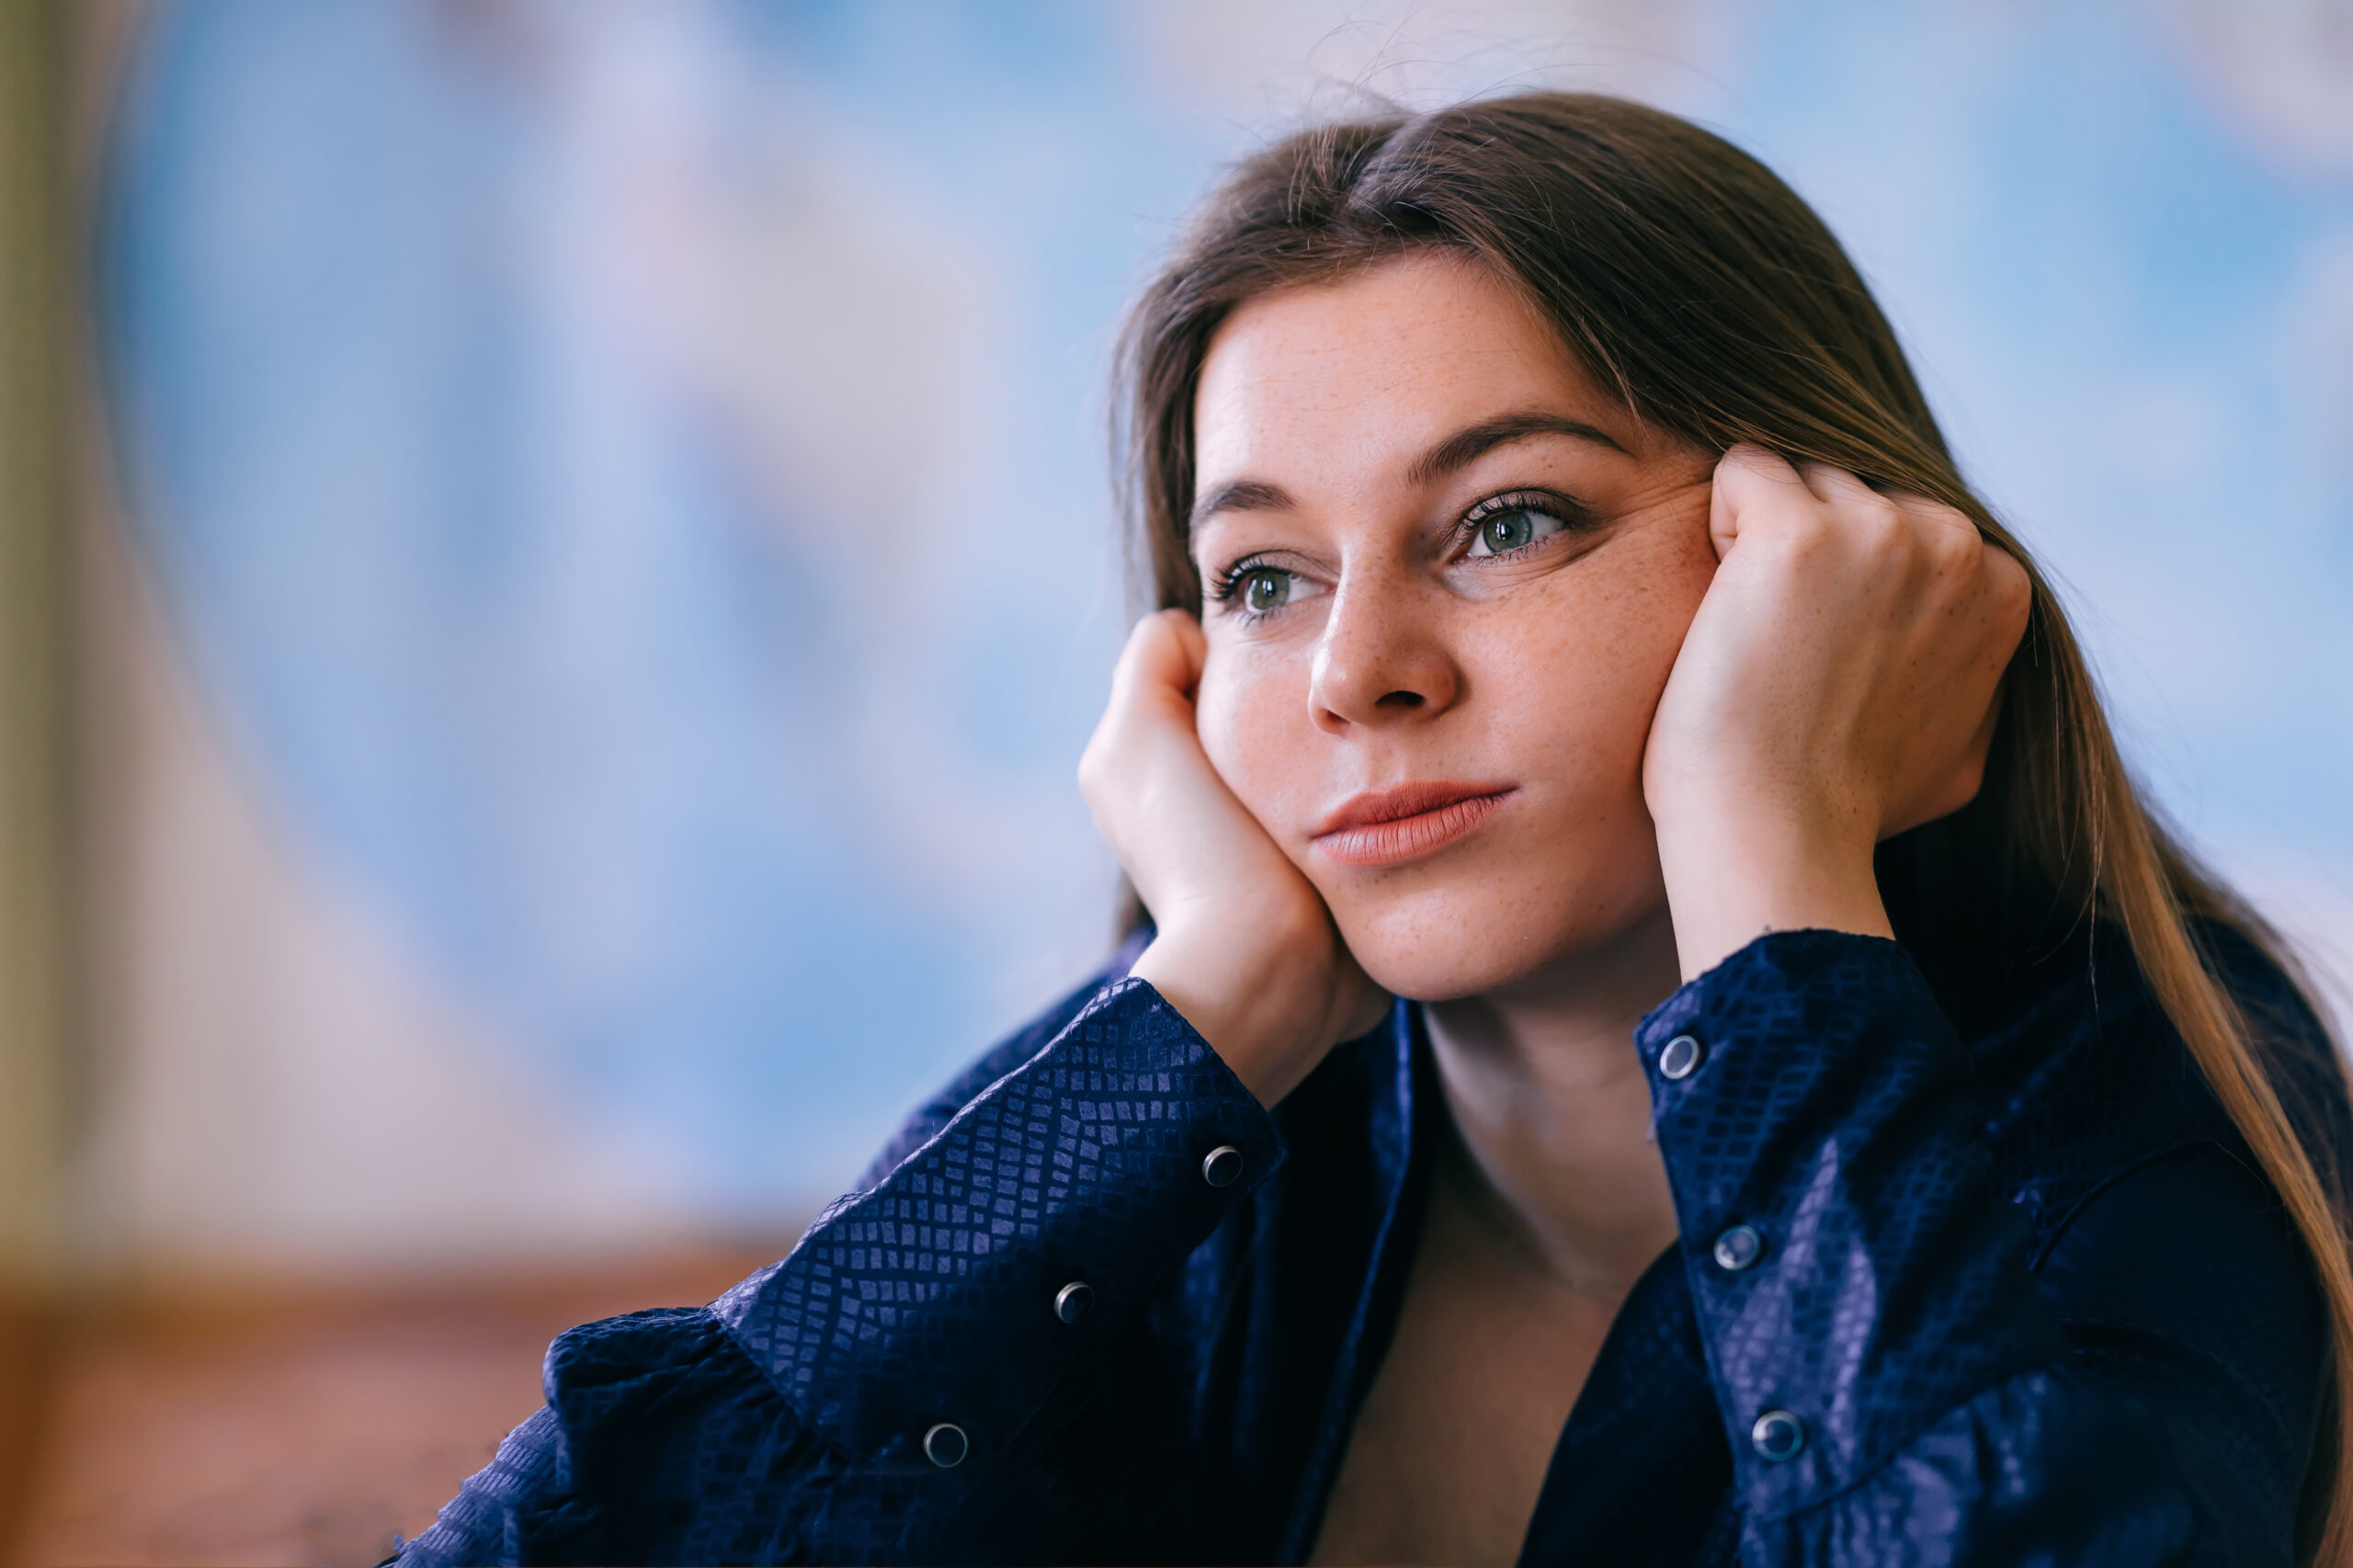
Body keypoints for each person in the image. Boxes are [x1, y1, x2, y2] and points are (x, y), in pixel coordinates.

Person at [396, 93, 2353, 1567]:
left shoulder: (2139, 1134)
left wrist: (1768, 860)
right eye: (1258, 577)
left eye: (1507, 520)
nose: (1354, 670)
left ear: (1817, 561)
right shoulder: (1203, 1139)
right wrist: (1203, 1009)